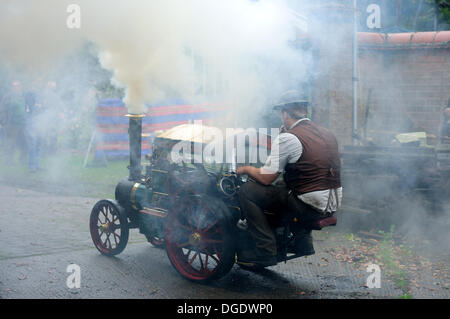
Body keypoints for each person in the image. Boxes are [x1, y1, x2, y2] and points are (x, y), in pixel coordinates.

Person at [236, 90, 342, 267]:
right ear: (304, 111)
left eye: (281, 113)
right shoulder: (327, 133)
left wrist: (246, 169)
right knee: (290, 187)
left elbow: (267, 178)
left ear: (285, 114)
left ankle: (265, 250)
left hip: (309, 207)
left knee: (247, 191)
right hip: (332, 203)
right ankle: (303, 242)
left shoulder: (289, 137)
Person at [1, 81, 27, 165]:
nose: (17, 88)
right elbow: (2, 110)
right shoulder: (8, 97)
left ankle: (22, 159)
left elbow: (25, 107)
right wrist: (4, 122)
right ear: (12, 87)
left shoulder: (22, 96)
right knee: (10, 143)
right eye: (15, 86)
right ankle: (8, 161)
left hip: (22, 123)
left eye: (18, 86)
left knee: (23, 142)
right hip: (11, 124)